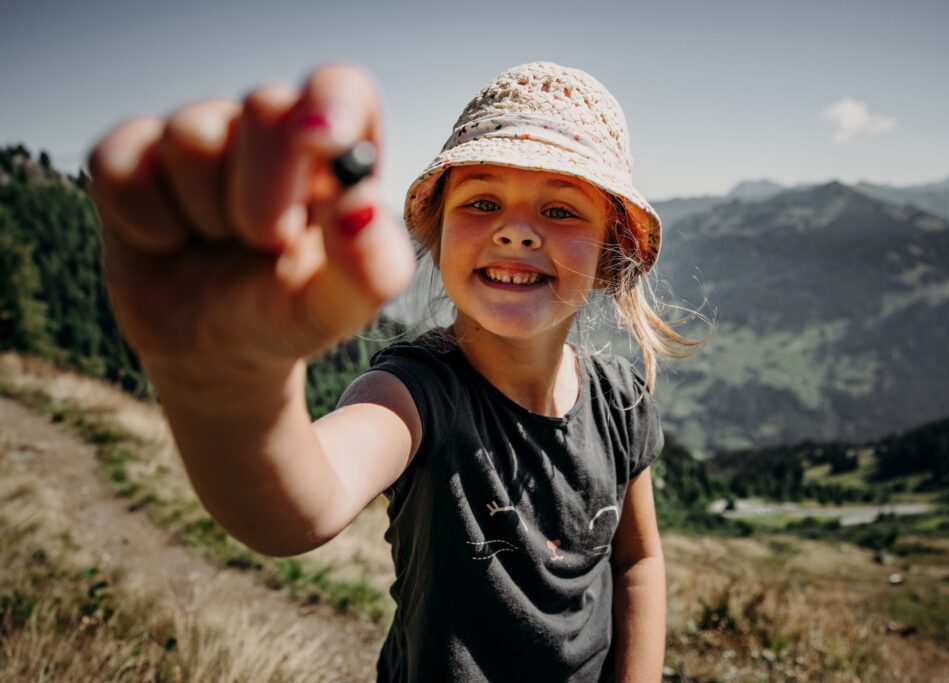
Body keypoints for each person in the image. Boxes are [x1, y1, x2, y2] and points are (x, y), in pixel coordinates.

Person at [88, 61, 709, 682]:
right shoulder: (413, 394)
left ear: (610, 253)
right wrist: (231, 381)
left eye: (562, 211)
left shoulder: (621, 400)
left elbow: (636, 561)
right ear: (436, 233)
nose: (517, 231)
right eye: (483, 201)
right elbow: (298, 506)